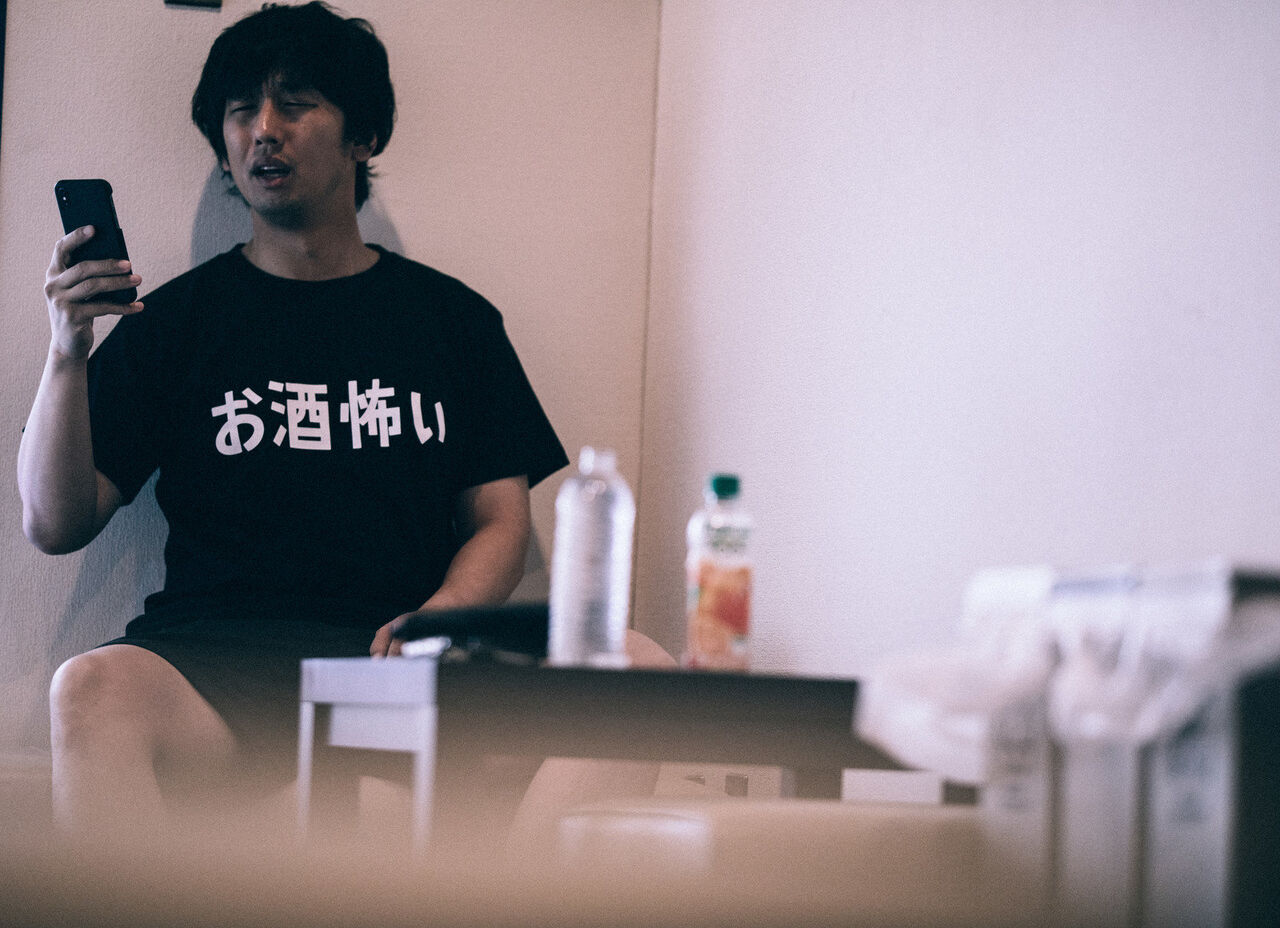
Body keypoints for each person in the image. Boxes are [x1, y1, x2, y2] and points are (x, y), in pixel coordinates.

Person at [17, 1, 568, 839]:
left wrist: (439, 618)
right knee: (88, 688)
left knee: (634, 666)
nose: (264, 131)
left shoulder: (451, 322)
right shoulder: (176, 323)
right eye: (242, 110)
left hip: (393, 662)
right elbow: (55, 523)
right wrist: (68, 350)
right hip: (214, 663)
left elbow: (499, 520)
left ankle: (512, 887)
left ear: (362, 136)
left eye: (296, 103)